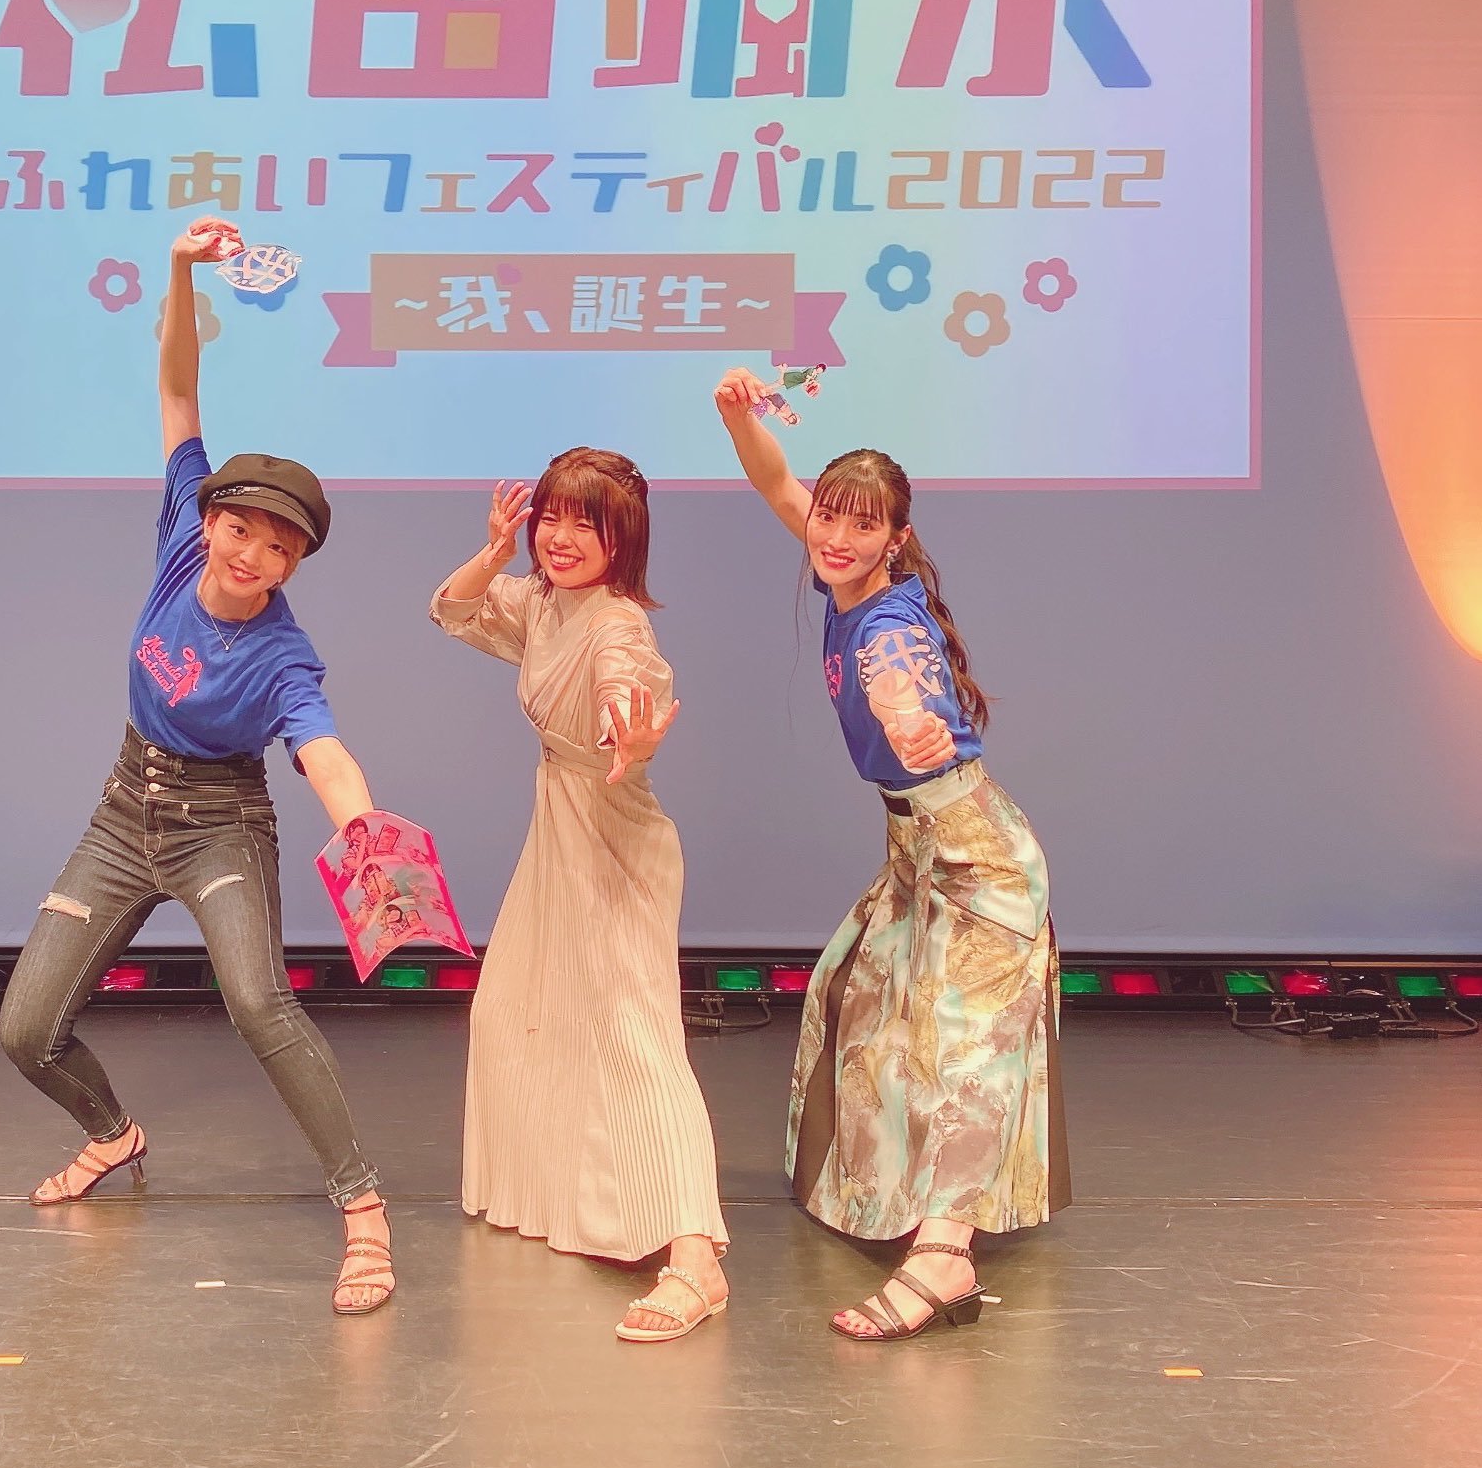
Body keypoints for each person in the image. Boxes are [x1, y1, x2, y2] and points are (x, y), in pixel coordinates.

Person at [0, 219, 395, 1316]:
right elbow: (178, 389)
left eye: (281, 545)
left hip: (221, 824)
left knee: (260, 1003)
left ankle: (363, 1209)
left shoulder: (282, 656)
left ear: (294, 562)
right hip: (125, 809)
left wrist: (362, 829)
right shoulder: (182, 536)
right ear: (210, 518)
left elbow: (323, 750)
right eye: (242, 528)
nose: (253, 553)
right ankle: (112, 1133)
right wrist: (177, 269)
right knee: (25, 1030)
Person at [713, 367, 1069, 1340]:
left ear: (894, 539)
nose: (832, 534)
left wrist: (907, 718)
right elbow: (771, 480)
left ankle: (945, 1257)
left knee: (965, 1052)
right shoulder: (844, 574)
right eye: (827, 514)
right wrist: (735, 416)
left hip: (978, 861)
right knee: (868, 1011)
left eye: (859, 525)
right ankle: (895, 1204)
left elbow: (896, 680)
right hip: (919, 850)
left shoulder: (887, 623)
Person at [430, 450, 730, 1343]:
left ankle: (695, 1258)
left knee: (635, 1035)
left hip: (613, 838)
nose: (560, 538)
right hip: (559, 830)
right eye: (550, 517)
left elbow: (623, 699)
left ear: (621, 538)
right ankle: (567, 1197)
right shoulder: (540, 600)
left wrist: (629, 742)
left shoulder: (616, 626)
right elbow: (450, 608)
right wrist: (493, 551)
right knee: (512, 1011)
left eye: (584, 524)